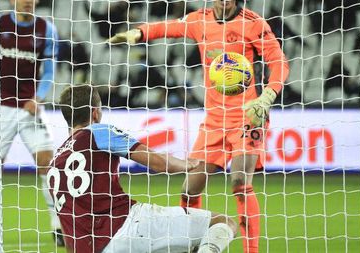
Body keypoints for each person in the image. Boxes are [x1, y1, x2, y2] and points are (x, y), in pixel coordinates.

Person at [109, 0, 290, 253]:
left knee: (241, 181)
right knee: (189, 189)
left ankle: (251, 251)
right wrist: (136, 34)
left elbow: (279, 61)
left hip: (248, 115)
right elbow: (167, 27)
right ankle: (190, 244)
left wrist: (267, 97)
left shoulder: (254, 23)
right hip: (214, 121)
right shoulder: (199, 20)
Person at [49, 84, 238, 252]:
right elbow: (160, 163)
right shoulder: (98, 131)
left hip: (92, 248)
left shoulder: (54, 164)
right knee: (223, 223)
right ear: (95, 112)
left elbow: (68, 232)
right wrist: (189, 164)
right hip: (129, 225)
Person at [0, 0, 62, 244]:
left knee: (48, 165)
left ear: (37, 0)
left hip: (29, 108)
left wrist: (39, 97)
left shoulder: (46, 29)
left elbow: (49, 70)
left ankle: (57, 224)